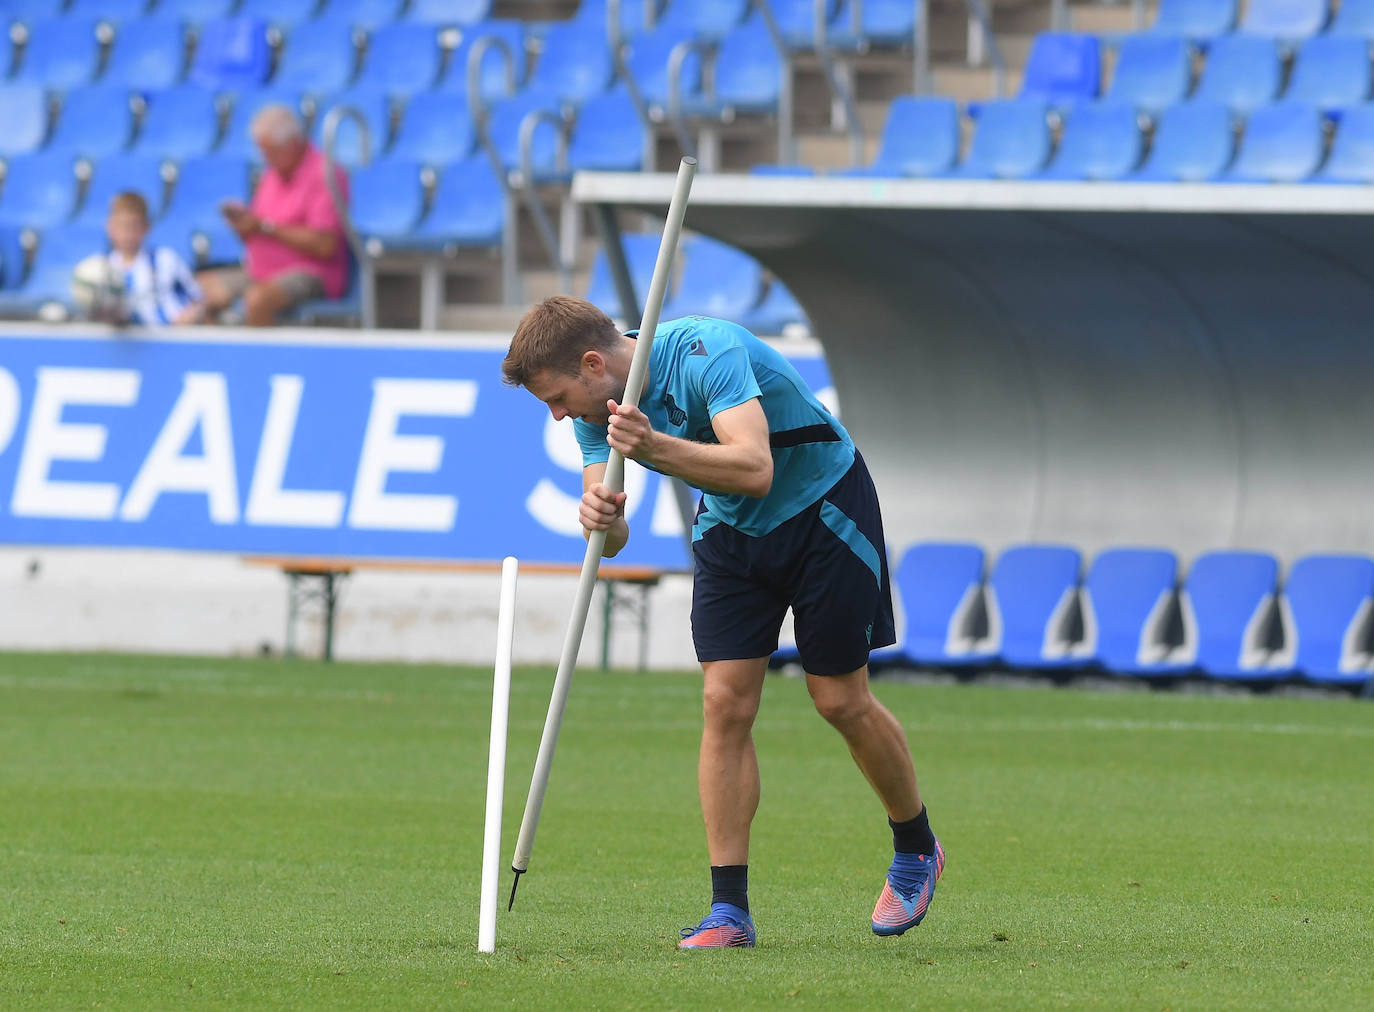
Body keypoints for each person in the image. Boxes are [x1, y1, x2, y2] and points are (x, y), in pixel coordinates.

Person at [502, 296, 943, 949]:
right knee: (724, 703)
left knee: (839, 699)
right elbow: (615, 530)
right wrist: (603, 516)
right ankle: (728, 910)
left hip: (824, 509)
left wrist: (650, 445)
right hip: (733, 534)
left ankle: (915, 848)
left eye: (558, 397)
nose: (560, 413)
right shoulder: (595, 412)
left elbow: (754, 469)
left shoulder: (709, 353)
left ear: (594, 364)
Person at [194, 104, 350, 326]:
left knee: (258, 299)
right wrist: (245, 226)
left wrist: (266, 227)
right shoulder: (271, 175)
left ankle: (258, 360)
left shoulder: (324, 173)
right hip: (261, 270)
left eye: (270, 151)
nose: (265, 157)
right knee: (195, 290)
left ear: (292, 144)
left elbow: (325, 244)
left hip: (312, 272)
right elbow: (258, 230)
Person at [78, 190, 204, 326]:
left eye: (133, 226)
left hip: (168, 339)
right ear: (110, 227)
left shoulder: (166, 260)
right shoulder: (97, 269)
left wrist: (190, 315)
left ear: (146, 227)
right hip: (121, 346)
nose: (127, 234)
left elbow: (198, 300)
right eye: (122, 226)